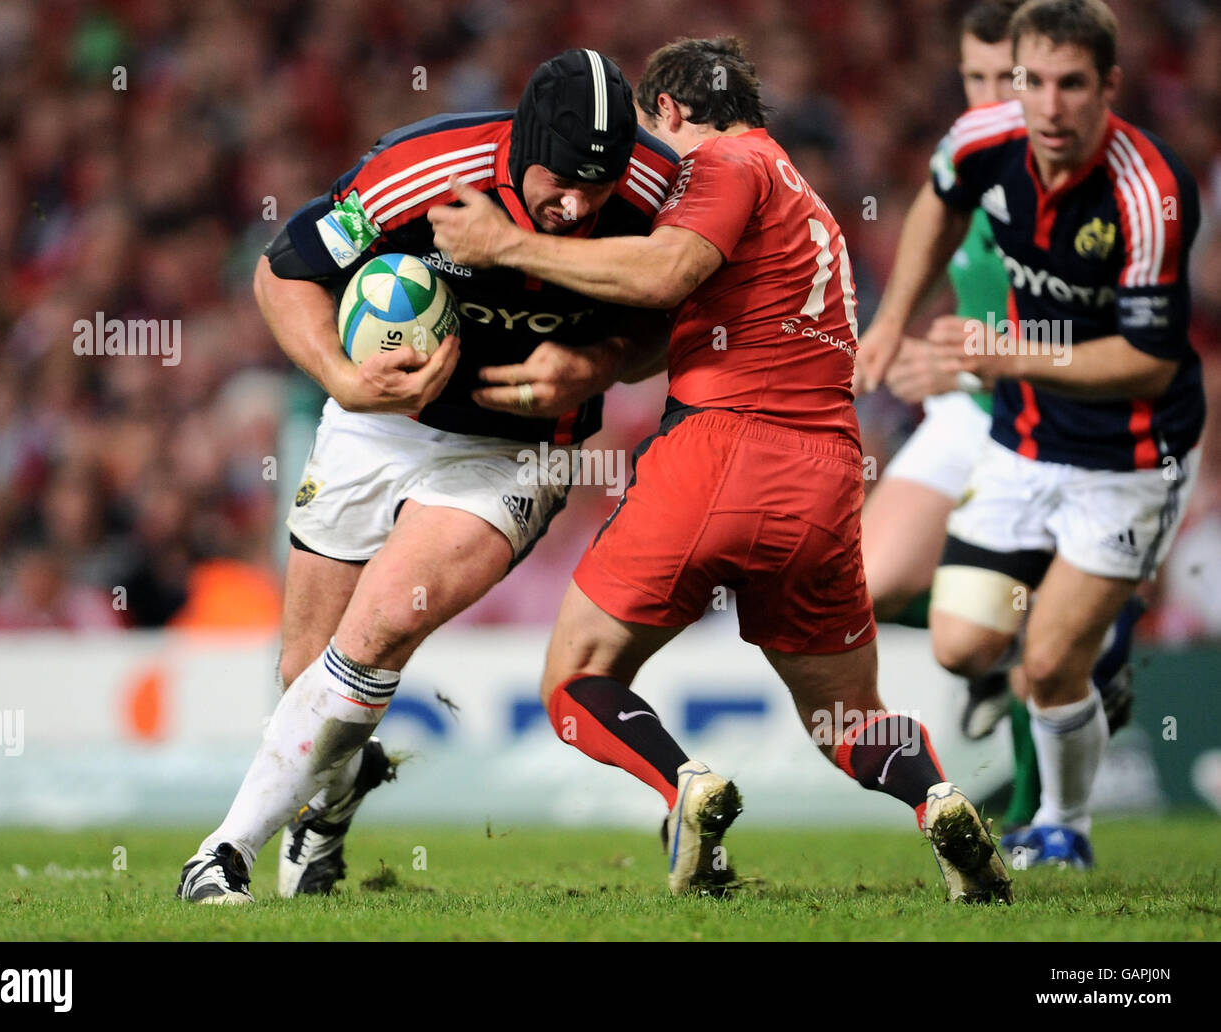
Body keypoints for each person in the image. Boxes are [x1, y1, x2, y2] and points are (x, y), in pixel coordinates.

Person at [430, 36, 1013, 902]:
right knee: (845, 718)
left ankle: (684, 787)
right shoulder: (810, 204)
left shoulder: (726, 166)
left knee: (575, 676)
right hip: (826, 476)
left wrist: (506, 247)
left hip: (723, 449)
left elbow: (668, 270)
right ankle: (935, 800)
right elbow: (684, 313)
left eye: (642, 131)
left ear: (669, 113)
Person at [177, 48, 678, 903]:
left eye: (599, 188)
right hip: (377, 426)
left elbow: (678, 318)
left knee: (375, 631)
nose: (579, 204)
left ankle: (221, 855)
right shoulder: (425, 170)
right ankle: (328, 812)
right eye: (562, 179)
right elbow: (283, 270)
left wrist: (599, 365)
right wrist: (340, 376)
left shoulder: (656, 198)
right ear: (523, 144)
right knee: (305, 668)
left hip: (516, 449)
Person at [856, 0, 1203, 869]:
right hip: (1020, 442)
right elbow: (939, 203)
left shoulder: (1148, 193)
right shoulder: (984, 141)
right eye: (1034, 83)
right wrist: (893, 321)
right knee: (962, 641)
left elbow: (1151, 362)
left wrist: (1005, 354)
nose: (1051, 106)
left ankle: (1064, 825)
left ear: (1108, 87)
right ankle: (1085, 644)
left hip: (1125, 457)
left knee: (1047, 665)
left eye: (1073, 85)